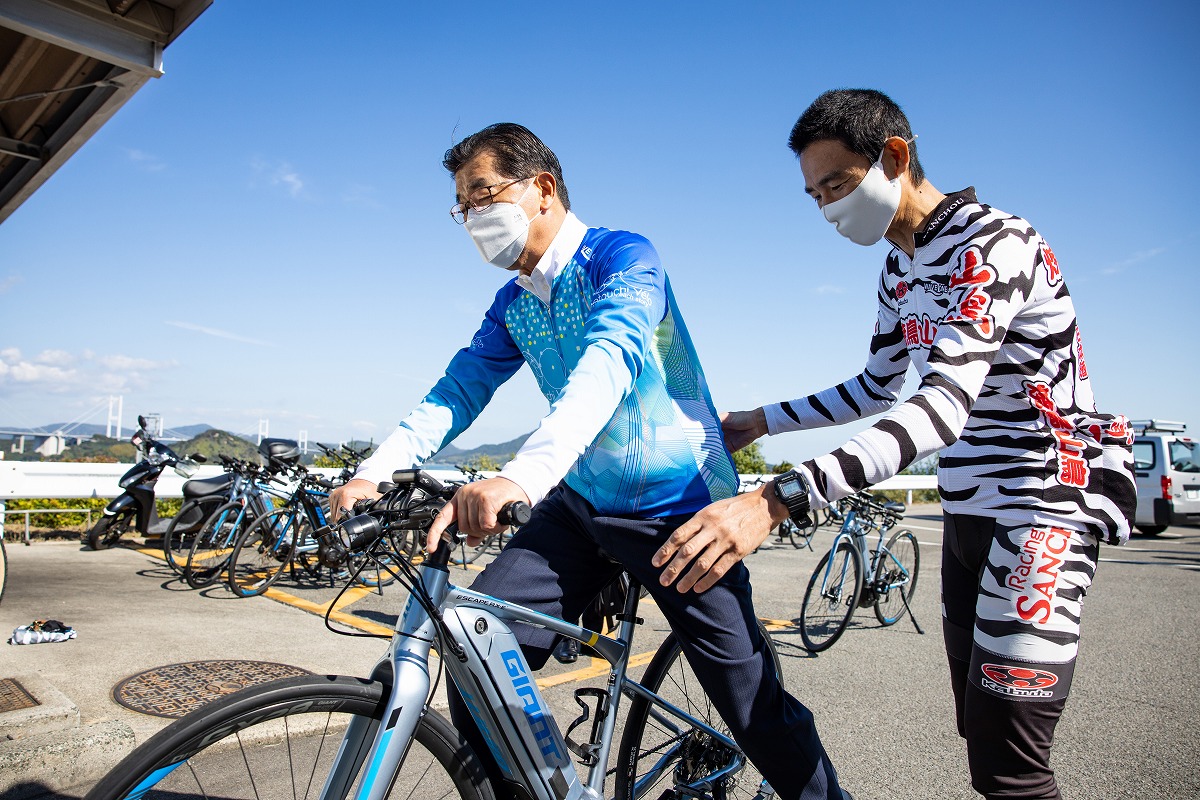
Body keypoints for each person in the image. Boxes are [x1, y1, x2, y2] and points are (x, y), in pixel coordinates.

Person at [330, 122, 847, 800]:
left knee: (754, 709)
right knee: (474, 651)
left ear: (541, 188)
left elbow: (608, 365)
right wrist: (374, 470)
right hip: (579, 504)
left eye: (482, 194)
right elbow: (459, 390)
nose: (472, 218)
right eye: (462, 205)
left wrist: (519, 474)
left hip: (677, 508)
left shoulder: (624, 257)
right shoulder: (514, 302)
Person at [652, 90, 1136, 800]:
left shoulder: (993, 244)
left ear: (895, 157)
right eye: (814, 196)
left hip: (1045, 505)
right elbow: (879, 386)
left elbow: (939, 405)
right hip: (970, 509)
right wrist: (764, 419)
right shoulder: (898, 267)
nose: (826, 210)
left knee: (1013, 768)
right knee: (982, 735)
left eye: (838, 186)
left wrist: (783, 495)